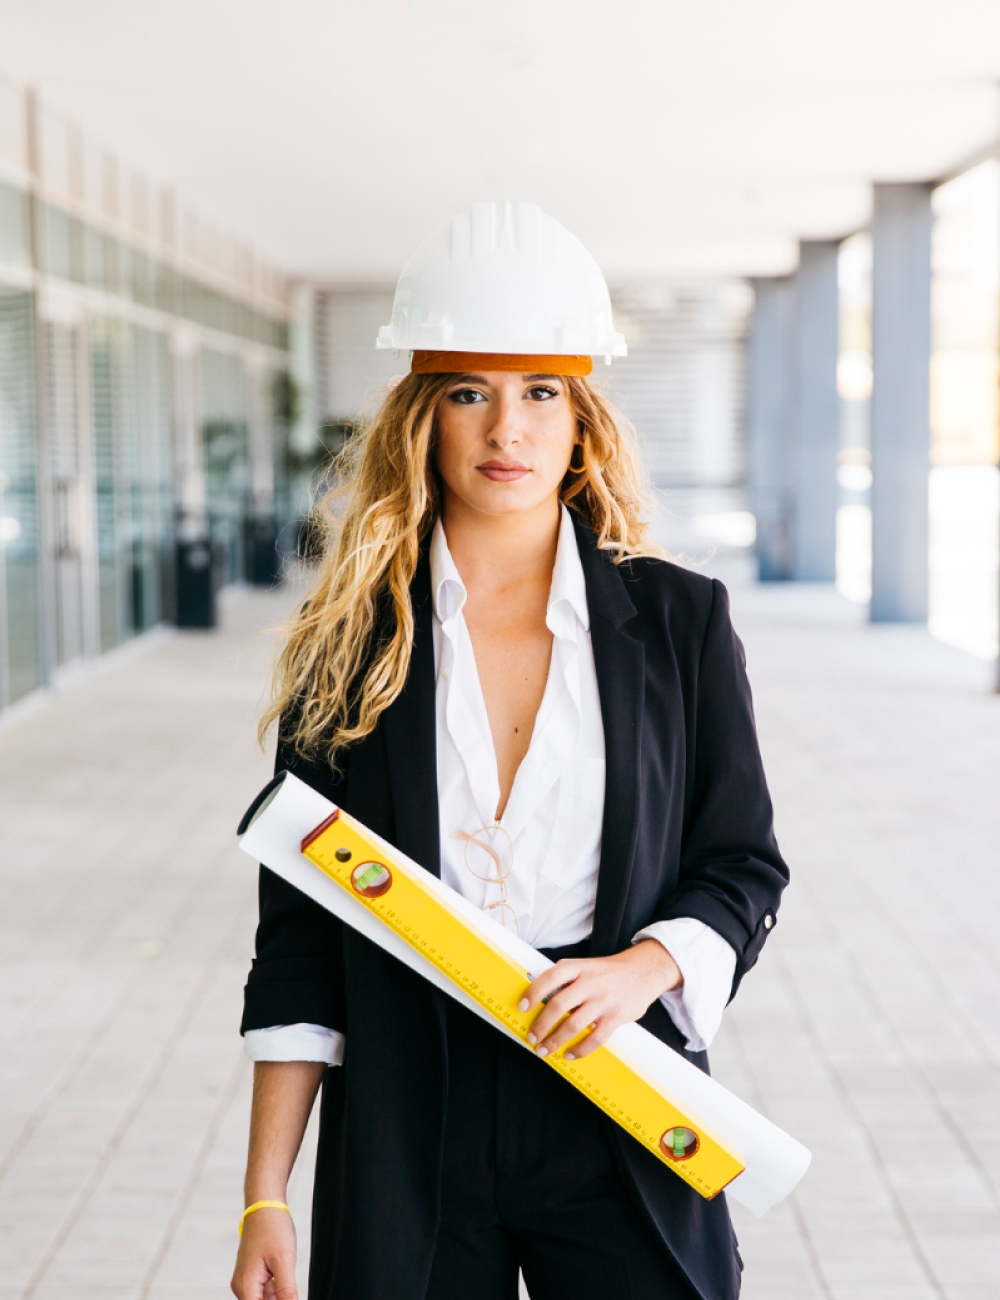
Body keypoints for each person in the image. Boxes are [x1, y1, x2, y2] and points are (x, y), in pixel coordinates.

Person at [231, 201, 788, 1300]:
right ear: (420, 418)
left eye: (540, 392)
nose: (507, 431)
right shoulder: (351, 642)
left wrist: (646, 966)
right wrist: (265, 1194)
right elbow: (298, 942)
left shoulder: (679, 622)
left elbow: (742, 864)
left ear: (582, 417)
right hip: (408, 1116)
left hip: (618, 1099)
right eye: (467, 393)